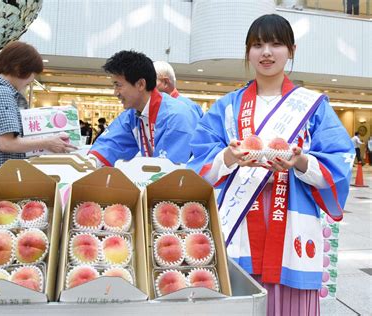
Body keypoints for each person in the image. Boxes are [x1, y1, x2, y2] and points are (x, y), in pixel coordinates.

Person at [187, 14, 354, 315]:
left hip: (292, 222)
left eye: (276, 44)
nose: (266, 52)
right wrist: (227, 157)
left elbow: (339, 163)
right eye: (257, 44)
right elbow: (199, 158)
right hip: (238, 227)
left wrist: (301, 161)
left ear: (291, 50)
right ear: (247, 52)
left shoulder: (313, 106)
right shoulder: (227, 107)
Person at [0, 41, 77, 186]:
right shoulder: (2, 93)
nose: (32, 79)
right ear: (19, 68)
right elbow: (6, 144)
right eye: (32, 72)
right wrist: (48, 142)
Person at [88, 50, 200, 167]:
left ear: (141, 84)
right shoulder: (132, 114)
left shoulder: (177, 116)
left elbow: (171, 170)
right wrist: (90, 162)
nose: (115, 93)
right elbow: (111, 144)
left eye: (118, 85)